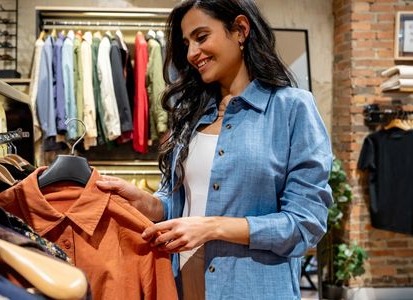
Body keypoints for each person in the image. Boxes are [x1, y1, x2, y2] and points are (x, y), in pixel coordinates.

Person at [96, 0, 333, 299]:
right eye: (186, 43)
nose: (192, 53)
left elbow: (304, 225)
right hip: (181, 283)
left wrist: (214, 228)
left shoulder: (291, 109)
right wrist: (147, 202)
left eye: (201, 37)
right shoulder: (191, 115)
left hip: (254, 288)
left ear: (240, 30)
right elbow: (181, 203)